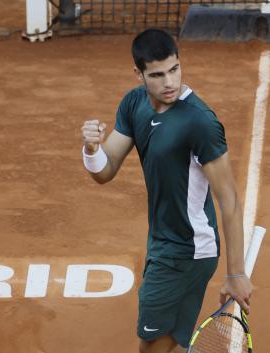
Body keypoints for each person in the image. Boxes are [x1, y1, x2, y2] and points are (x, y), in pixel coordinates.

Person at [80, 29, 253, 353]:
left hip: (187, 251)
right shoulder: (134, 105)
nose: (169, 82)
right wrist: (91, 149)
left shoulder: (199, 122)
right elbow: (105, 170)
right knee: (163, 341)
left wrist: (236, 273)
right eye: (157, 75)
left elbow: (228, 198)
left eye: (174, 69)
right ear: (140, 74)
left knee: (151, 347)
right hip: (163, 241)